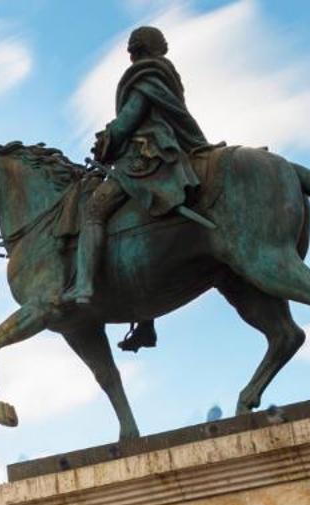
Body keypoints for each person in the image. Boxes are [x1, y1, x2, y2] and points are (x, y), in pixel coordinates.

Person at [55, 25, 210, 310]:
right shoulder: (166, 75)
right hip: (164, 152)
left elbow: (129, 120)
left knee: (93, 211)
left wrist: (107, 139)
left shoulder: (145, 77)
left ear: (137, 49)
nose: (129, 55)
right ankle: (144, 322)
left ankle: (84, 283)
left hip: (146, 157)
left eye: (131, 49)